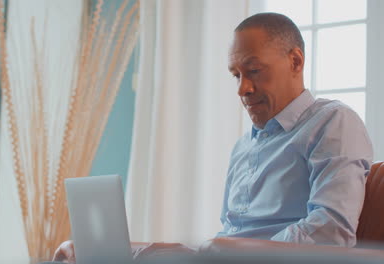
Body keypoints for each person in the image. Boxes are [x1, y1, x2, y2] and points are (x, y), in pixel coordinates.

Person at [53, 12, 373, 262]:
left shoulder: (332, 122)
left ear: (296, 61)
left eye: (254, 71)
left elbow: (331, 235)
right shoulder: (244, 147)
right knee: (82, 255)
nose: (242, 89)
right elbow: (231, 233)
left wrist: (235, 252)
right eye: (236, 75)